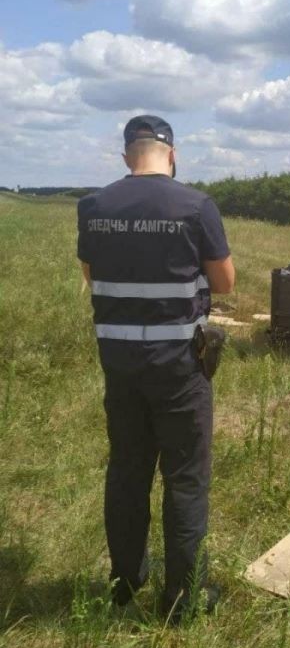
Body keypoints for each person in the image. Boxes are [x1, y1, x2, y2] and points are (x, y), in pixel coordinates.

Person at [77, 115, 235, 621]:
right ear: (172, 154)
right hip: (179, 368)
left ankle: (124, 583)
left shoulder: (93, 207)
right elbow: (225, 282)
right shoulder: (196, 206)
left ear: (127, 155)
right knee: (185, 478)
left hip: (120, 365)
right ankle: (184, 600)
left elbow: (92, 274)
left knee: (127, 471)